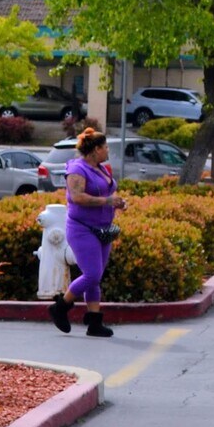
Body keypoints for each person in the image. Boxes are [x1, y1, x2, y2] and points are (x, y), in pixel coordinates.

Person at [50, 127, 124, 336]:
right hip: (82, 228)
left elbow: (109, 190)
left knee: (94, 276)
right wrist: (107, 201)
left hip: (103, 228)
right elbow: (77, 197)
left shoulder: (102, 168)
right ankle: (60, 308)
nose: (108, 151)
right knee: (92, 274)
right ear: (95, 149)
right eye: (106, 147)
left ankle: (94, 323)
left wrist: (117, 202)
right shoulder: (77, 169)